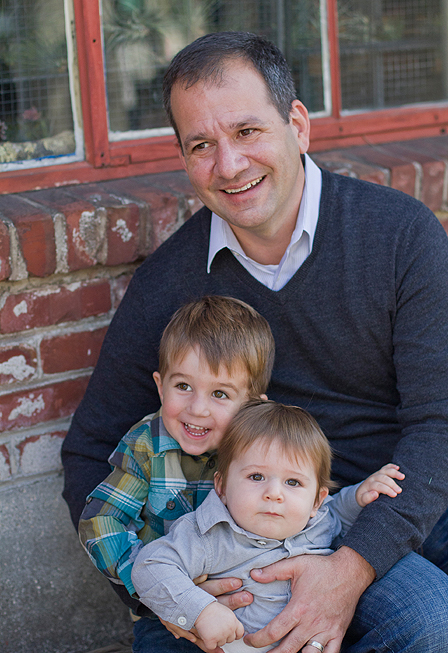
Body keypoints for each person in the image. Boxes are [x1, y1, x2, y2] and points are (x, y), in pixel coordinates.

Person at [61, 30, 448, 653]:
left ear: (297, 123)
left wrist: (351, 568)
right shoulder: (170, 282)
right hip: (226, 550)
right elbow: (88, 452)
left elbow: (439, 423)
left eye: (247, 132)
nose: (229, 166)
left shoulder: (400, 236)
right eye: (201, 145)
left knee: (430, 626)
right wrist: (161, 593)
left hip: (365, 515)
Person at [132, 400, 405, 653]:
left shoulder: (317, 520)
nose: (274, 493)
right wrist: (200, 610)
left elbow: (336, 512)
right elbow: (150, 566)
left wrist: (359, 497)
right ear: (222, 486)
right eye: (257, 476)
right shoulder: (209, 535)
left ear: (316, 501)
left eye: (293, 482)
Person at [78, 295, 274, 597]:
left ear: (252, 408)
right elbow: (101, 520)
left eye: (220, 394)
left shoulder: (268, 449)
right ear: (160, 386)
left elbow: (302, 505)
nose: (197, 409)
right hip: (166, 607)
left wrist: (352, 501)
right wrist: (151, 579)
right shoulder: (145, 446)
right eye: (183, 386)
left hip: (251, 595)